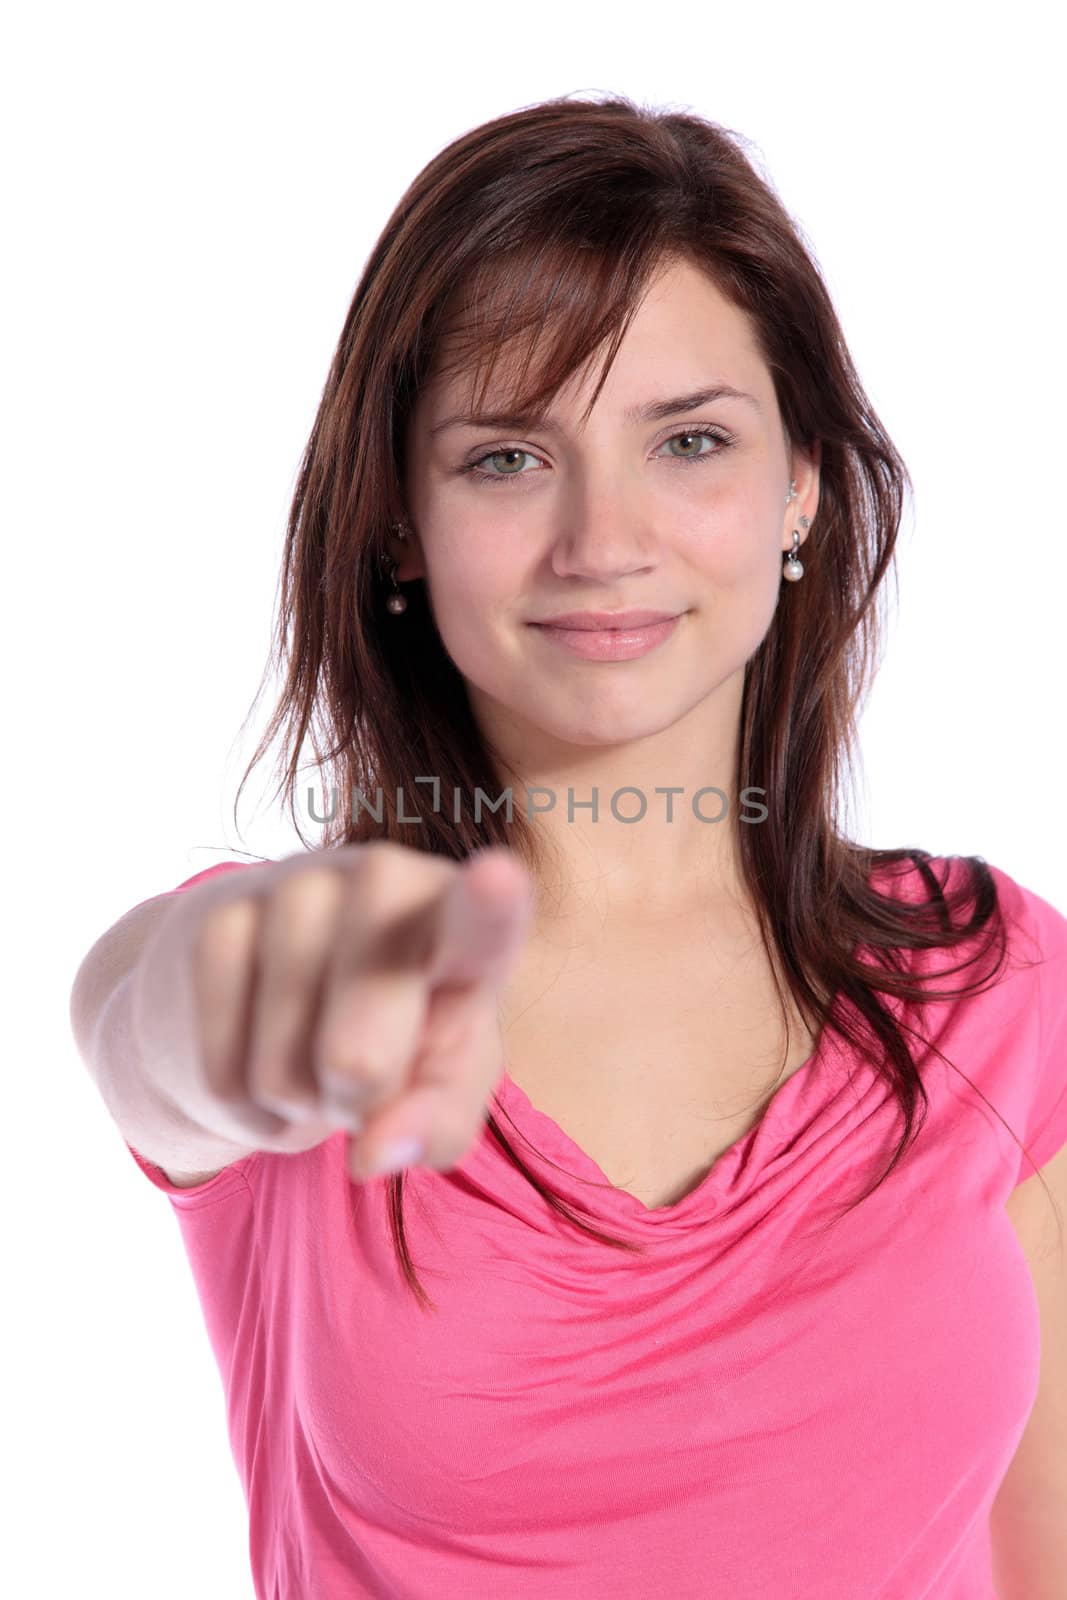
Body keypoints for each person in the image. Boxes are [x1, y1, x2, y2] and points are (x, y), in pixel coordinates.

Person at [68, 92, 1067, 1599]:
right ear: (399, 518)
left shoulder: (988, 979)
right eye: (506, 459)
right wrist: (215, 999)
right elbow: (153, 1031)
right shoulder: (309, 968)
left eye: (688, 440)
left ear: (800, 480)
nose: (604, 540)